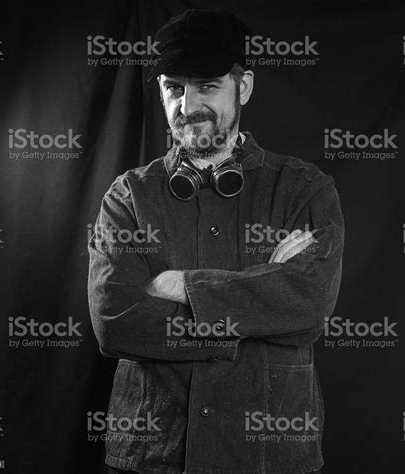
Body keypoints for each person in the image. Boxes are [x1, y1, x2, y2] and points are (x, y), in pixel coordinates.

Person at [88, 8, 344, 474]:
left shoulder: (304, 188)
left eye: (206, 86)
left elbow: (308, 304)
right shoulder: (128, 195)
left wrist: (184, 285)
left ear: (242, 86)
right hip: (152, 458)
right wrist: (262, 296)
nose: (187, 107)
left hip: (269, 455)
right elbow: (115, 321)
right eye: (173, 88)